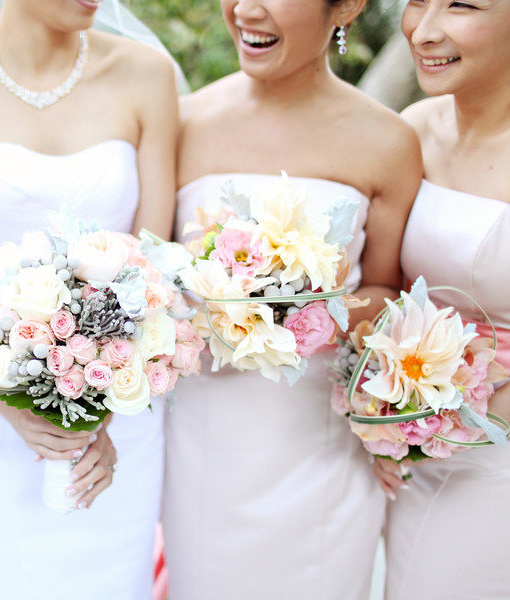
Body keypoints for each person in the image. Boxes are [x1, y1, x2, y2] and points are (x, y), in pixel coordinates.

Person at [0, 0, 180, 597]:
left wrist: (101, 403)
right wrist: (6, 398)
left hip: (120, 412)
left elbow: (155, 262)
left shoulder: (147, 74)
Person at [164, 0, 422, 597]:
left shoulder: (388, 139)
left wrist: (290, 309)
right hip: (207, 446)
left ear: (348, 7)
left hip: (321, 442)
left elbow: (388, 291)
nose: (245, 9)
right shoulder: (184, 123)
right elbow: (147, 275)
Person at [375, 1, 510, 597]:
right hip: (408, 445)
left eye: (460, 4)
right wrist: (387, 418)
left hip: (494, 456)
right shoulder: (413, 127)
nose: (424, 30)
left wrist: (462, 427)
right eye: (417, 1)